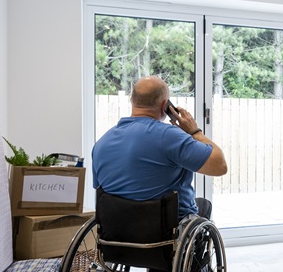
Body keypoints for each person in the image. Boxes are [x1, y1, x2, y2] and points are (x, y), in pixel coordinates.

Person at [91, 75, 227, 219]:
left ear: (132, 100)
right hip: (167, 231)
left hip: (117, 232)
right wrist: (195, 132)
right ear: (165, 106)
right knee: (203, 205)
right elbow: (220, 166)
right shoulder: (170, 137)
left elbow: (101, 191)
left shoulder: (101, 144)